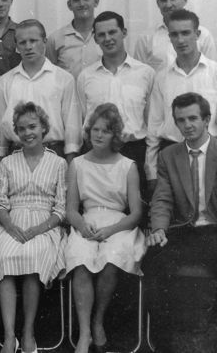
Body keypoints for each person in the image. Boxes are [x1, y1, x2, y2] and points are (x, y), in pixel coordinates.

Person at [0, 101, 67, 353]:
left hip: (45, 225)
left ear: (43, 128)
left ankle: (28, 332)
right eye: (22, 129)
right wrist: (9, 225)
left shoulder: (58, 163)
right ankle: (10, 336)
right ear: (16, 133)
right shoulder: (7, 163)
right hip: (12, 222)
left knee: (33, 258)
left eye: (32, 126)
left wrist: (39, 229)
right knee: (3, 258)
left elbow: (61, 209)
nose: (28, 133)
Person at [64, 103, 145, 353]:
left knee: (111, 260)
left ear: (115, 135)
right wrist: (81, 225)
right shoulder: (77, 164)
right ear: (88, 132)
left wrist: (111, 231)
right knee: (81, 260)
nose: (99, 135)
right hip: (87, 221)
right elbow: (71, 210)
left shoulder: (128, 166)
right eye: (95, 129)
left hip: (119, 225)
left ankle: (98, 320)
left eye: (106, 131)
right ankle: (85, 333)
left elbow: (136, 213)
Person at [144, 92, 217, 352]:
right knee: (153, 260)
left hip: (215, 230)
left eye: (193, 118)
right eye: (181, 120)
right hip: (185, 230)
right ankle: (165, 344)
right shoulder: (169, 156)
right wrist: (159, 230)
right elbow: (162, 199)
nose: (187, 125)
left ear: (206, 119)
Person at [76, 11, 155, 191]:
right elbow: (83, 117)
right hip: (96, 153)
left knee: (135, 206)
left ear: (124, 32)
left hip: (133, 151)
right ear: (95, 39)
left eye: (112, 32)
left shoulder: (145, 73)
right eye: (101, 34)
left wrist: (151, 167)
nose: (107, 39)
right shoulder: (86, 76)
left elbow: (151, 122)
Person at [145, 9, 217, 193]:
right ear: (169, 37)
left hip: (210, 155)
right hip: (172, 156)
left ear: (197, 34)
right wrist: (151, 171)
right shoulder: (162, 77)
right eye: (175, 34)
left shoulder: (214, 73)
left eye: (185, 33)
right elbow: (154, 126)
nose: (181, 40)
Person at [0, 19, 81, 161]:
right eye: (22, 42)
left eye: (33, 41)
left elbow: (72, 125)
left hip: (53, 153)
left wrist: (70, 160)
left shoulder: (63, 79)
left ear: (44, 42)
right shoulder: (5, 81)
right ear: (17, 47)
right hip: (16, 153)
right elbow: (1, 127)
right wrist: (0, 158)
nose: (28, 47)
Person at [134, 0, 217, 73]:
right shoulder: (146, 38)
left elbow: (212, 73)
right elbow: (140, 76)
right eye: (164, 0)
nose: (168, 5)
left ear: (185, 0)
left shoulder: (204, 35)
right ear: (158, 3)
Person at [46, 0, 102, 80]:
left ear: (96, 1)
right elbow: (49, 75)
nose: (81, 3)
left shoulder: (106, 36)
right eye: (76, 0)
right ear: (69, 5)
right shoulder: (55, 39)